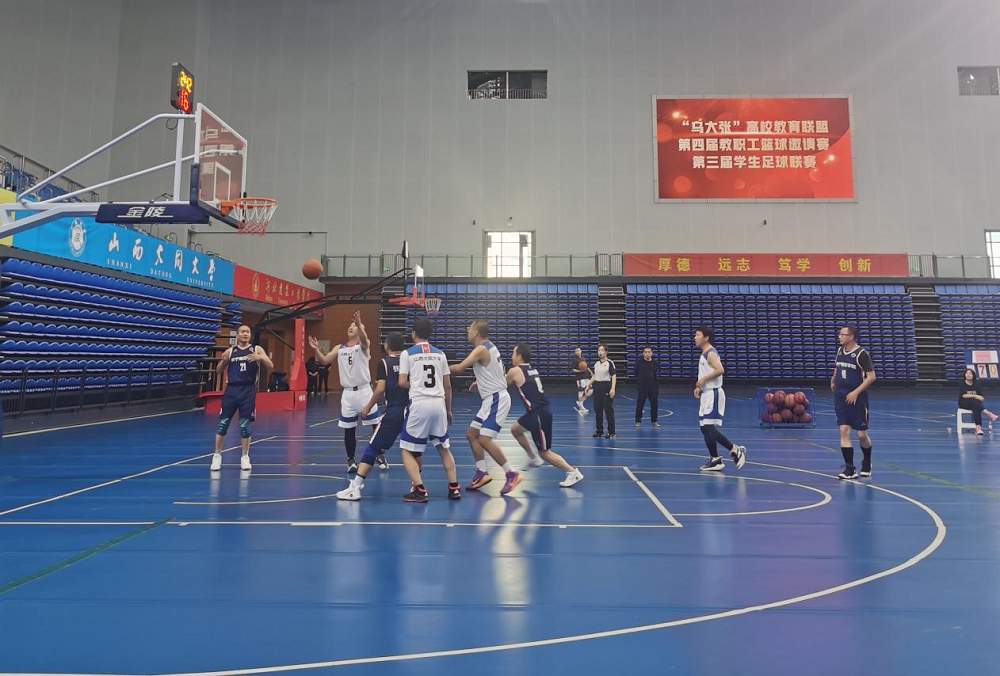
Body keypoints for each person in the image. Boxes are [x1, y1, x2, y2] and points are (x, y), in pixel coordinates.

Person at [449, 320, 522, 495]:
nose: (467, 331)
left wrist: (439, 366)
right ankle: (481, 472)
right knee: (471, 434)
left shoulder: (481, 349)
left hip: (496, 399)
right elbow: (495, 371)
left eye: (470, 329)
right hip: (491, 398)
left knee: (484, 439)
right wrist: (479, 382)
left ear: (476, 332)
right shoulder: (490, 347)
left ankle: (511, 473)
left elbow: (460, 368)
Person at [309, 311, 383, 474]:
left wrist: (359, 324)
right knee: (349, 428)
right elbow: (325, 360)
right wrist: (316, 349)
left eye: (355, 326)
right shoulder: (339, 347)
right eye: (350, 326)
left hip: (364, 391)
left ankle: (379, 453)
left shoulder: (364, 344)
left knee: (375, 424)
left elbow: (364, 339)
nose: (351, 327)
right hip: (348, 394)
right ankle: (351, 460)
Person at [336, 333, 406, 500]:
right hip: (414, 411)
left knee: (372, 447)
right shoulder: (409, 361)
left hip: (394, 411)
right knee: (420, 449)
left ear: (387, 345)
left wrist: (367, 406)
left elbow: (380, 389)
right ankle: (431, 486)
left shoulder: (385, 363)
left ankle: (356, 486)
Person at [398, 317, 461, 502]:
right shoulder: (440, 354)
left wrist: (417, 386)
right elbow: (447, 386)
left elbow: (402, 382)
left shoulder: (407, 354)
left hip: (420, 404)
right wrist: (448, 411)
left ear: (413, 333)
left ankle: (419, 489)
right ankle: (454, 488)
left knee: (406, 449)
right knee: (444, 447)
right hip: (439, 403)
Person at [507, 343, 584, 487]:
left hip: (539, 413)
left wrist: (479, 384)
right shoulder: (532, 369)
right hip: (537, 411)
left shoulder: (515, 371)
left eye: (513, 353)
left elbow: (500, 384)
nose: (511, 357)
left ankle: (572, 472)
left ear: (519, 356)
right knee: (515, 429)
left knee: (545, 452)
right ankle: (533, 457)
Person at [211, 324, 274, 472]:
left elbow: (270, 365)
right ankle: (217, 455)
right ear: (237, 335)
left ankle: (245, 456)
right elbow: (218, 370)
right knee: (223, 424)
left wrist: (261, 357)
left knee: (245, 425)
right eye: (243, 332)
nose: (245, 334)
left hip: (248, 390)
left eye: (248, 332)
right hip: (231, 390)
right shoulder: (230, 351)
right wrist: (224, 361)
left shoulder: (257, 349)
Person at [694, 326, 746, 472]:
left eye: (697, 335)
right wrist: (700, 387)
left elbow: (720, 369)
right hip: (706, 393)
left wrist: (703, 380)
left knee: (709, 428)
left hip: (713, 394)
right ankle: (715, 459)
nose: (695, 337)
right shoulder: (704, 353)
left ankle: (735, 449)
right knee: (704, 428)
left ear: (706, 338)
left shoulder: (710, 353)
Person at [831, 325, 877, 479]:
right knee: (844, 430)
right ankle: (850, 469)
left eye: (842, 334)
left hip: (857, 399)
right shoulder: (840, 351)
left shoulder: (862, 354)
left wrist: (856, 392)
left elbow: (871, 377)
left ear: (851, 337)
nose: (839, 337)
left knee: (861, 434)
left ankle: (867, 461)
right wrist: (833, 379)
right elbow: (838, 367)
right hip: (841, 397)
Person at [586, 344, 617, 438]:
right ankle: (599, 431)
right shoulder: (596, 364)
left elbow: (613, 375)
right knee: (598, 410)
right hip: (597, 387)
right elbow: (594, 376)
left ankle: (612, 432)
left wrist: (613, 388)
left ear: (606, 352)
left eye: (602, 350)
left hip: (606, 386)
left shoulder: (610, 363)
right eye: (599, 350)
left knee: (608, 410)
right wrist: (589, 385)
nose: (600, 352)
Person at [958, 368, 998, 435]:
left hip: (975, 403)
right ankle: (988, 413)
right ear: (964, 375)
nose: (968, 375)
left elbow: (982, 397)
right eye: (967, 373)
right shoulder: (962, 383)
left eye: (970, 373)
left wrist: (980, 398)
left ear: (973, 375)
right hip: (963, 402)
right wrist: (975, 396)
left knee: (976, 406)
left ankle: (978, 427)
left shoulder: (977, 384)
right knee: (974, 401)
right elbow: (963, 395)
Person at [634, 346, 660, 427]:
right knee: (640, 404)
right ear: (643, 353)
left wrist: (656, 387)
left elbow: (655, 375)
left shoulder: (655, 363)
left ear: (652, 353)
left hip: (653, 387)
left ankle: (654, 421)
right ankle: (638, 421)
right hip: (642, 387)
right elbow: (635, 373)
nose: (647, 353)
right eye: (645, 352)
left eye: (649, 352)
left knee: (654, 405)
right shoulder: (639, 363)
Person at [571, 347, 592, 414]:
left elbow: (586, 366)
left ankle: (580, 402)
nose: (578, 352)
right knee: (581, 391)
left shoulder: (583, 358)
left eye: (578, 350)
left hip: (586, 376)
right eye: (576, 351)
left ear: (581, 351)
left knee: (590, 391)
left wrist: (591, 372)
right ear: (575, 352)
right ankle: (581, 408)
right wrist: (580, 371)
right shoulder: (574, 359)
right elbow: (573, 369)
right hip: (580, 378)